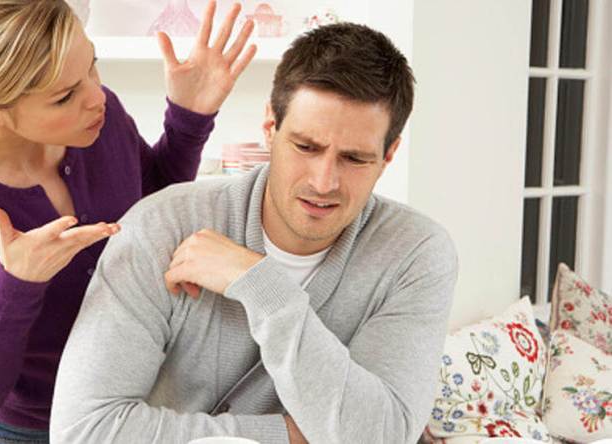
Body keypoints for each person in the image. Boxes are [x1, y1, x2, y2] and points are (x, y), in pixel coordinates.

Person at [50, 22, 459, 444]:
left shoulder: (415, 253)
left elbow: (382, 436)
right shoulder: (161, 226)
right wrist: (288, 435)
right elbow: (82, 432)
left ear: (389, 154)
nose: (324, 182)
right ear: (270, 126)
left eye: (354, 159)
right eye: (306, 147)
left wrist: (262, 286)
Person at [0, 0, 257, 442]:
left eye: (92, 66)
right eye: (64, 96)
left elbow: (151, 206)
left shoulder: (103, 120)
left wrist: (189, 118)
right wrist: (18, 284)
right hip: (34, 431)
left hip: (144, 405)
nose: (96, 96)